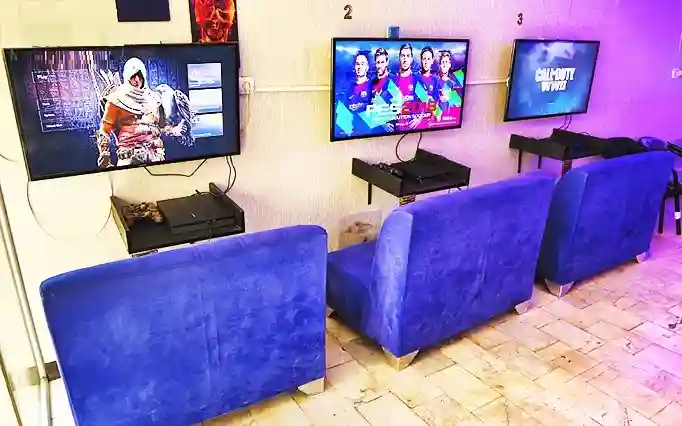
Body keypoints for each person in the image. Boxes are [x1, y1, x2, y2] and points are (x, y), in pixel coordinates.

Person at [96, 58, 186, 168]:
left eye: (140, 76)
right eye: (133, 76)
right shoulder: (116, 100)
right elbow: (104, 130)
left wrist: (174, 130)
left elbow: (161, 128)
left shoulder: (154, 99)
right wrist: (105, 156)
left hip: (155, 156)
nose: (137, 80)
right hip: (129, 158)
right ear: (127, 76)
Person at [435, 51, 463, 125]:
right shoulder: (434, 80)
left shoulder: (454, 82)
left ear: (449, 65)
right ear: (440, 65)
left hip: (450, 117)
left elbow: (458, 103)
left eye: (446, 62)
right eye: (443, 62)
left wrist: (450, 97)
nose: (444, 64)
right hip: (436, 117)